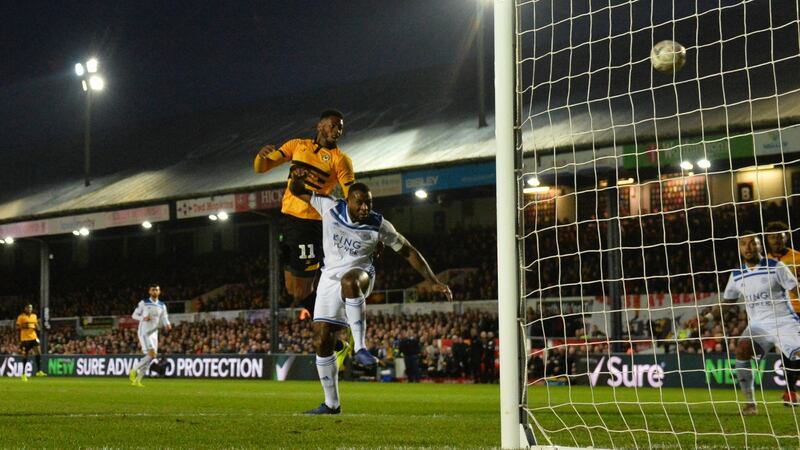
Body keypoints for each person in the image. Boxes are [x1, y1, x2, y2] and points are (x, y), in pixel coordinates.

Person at [288, 168, 452, 414]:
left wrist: (432, 280)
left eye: (369, 203)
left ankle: (360, 348)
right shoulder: (329, 207)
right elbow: (296, 191)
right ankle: (331, 404)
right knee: (322, 339)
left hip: (361, 275)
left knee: (350, 280)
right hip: (328, 279)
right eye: (360, 203)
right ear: (348, 201)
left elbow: (408, 250)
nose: (365, 208)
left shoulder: (379, 224)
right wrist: (297, 178)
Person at [253, 109, 355, 317]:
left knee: (301, 291)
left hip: (309, 225)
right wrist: (260, 156)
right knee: (293, 290)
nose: (337, 131)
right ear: (320, 126)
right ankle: (337, 328)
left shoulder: (340, 160)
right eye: (333, 125)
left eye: (340, 128)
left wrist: (355, 219)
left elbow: (351, 194)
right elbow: (262, 168)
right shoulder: (297, 145)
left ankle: (339, 325)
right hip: (288, 219)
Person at [715, 232, 800, 414]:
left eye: (752, 244)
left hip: (784, 322)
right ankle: (751, 404)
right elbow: (728, 302)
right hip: (758, 326)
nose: (747, 247)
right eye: (743, 244)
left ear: (760, 247)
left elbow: (795, 290)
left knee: (797, 359)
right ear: (739, 248)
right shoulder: (737, 275)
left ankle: (791, 391)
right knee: (742, 351)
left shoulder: (776, 266)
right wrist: (705, 317)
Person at [765, 221, 800, 405]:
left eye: (780, 236)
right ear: (767, 240)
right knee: (787, 354)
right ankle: (790, 392)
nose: (777, 240)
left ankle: (790, 390)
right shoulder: (764, 263)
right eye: (772, 237)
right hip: (781, 314)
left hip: (799, 310)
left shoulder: (798, 257)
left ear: (787, 236)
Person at [128, 284, 172, 387]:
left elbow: (164, 318)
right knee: (152, 354)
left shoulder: (162, 305)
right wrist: (143, 318)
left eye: (156, 290)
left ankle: (137, 381)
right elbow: (134, 315)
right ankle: (133, 370)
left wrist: (167, 324)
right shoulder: (144, 303)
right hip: (144, 332)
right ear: (149, 291)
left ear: (159, 292)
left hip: (154, 333)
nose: (155, 292)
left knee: (151, 357)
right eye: (153, 290)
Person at [16, 304, 47, 381]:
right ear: (25, 308)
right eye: (28, 308)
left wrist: (38, 327)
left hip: (33, 337)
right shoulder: (21, 317)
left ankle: (39, 371)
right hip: (25, 339)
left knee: (38, 353)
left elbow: (36, 324)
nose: (30, 309)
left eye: (31, 308)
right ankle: (23, 374)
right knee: (25, 356)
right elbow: (17, 327)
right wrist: (24, 326)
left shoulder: (34, 316)